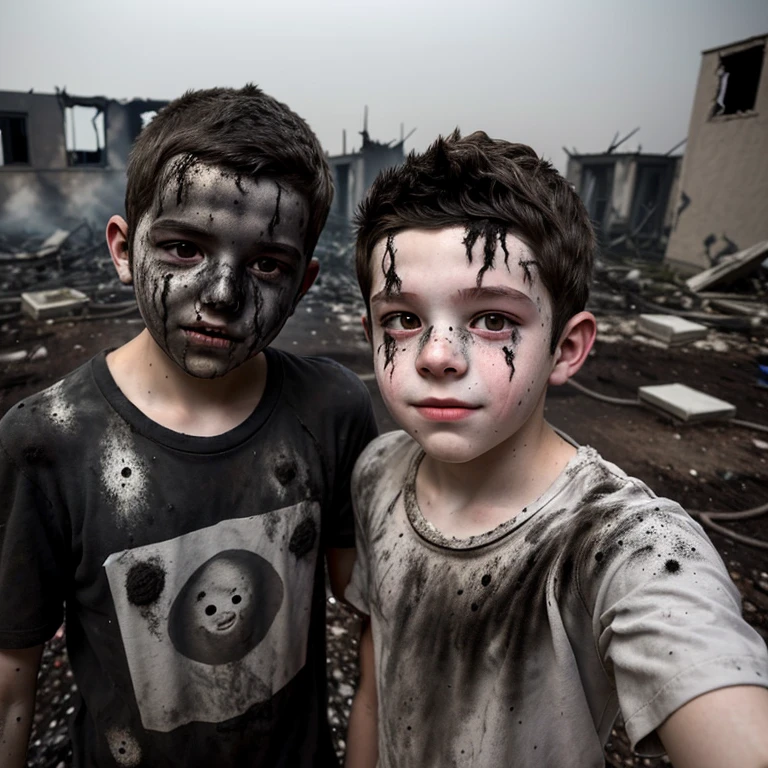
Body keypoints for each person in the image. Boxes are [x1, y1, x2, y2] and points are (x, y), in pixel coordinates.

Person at [343, 130, 768, 768]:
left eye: (493, 319)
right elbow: (375, 683)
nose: (435, 356)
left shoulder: (625, 544)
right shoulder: (377, 473)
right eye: (402, 319)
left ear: (567, 348)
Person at [0, 85, 377, 768]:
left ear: (303, 283)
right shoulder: (45, 440)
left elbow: (378, 611)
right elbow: (8, 678)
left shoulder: (332, 409)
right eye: (181, 248)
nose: (223, 295)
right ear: (123, 248)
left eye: (266, 264)